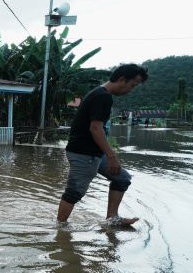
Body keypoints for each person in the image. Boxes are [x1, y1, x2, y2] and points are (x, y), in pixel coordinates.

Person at [56, 64, 149, 226]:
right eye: (132, 85)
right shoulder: (102, 96)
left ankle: (112, 219)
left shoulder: (100, 94)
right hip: (84, 153)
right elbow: (95, 128)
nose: (131, 90)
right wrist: (111, 156)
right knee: (74, 192)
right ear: (121, 79)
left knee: (122, 178)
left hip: (94, 153)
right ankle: (59, 228)